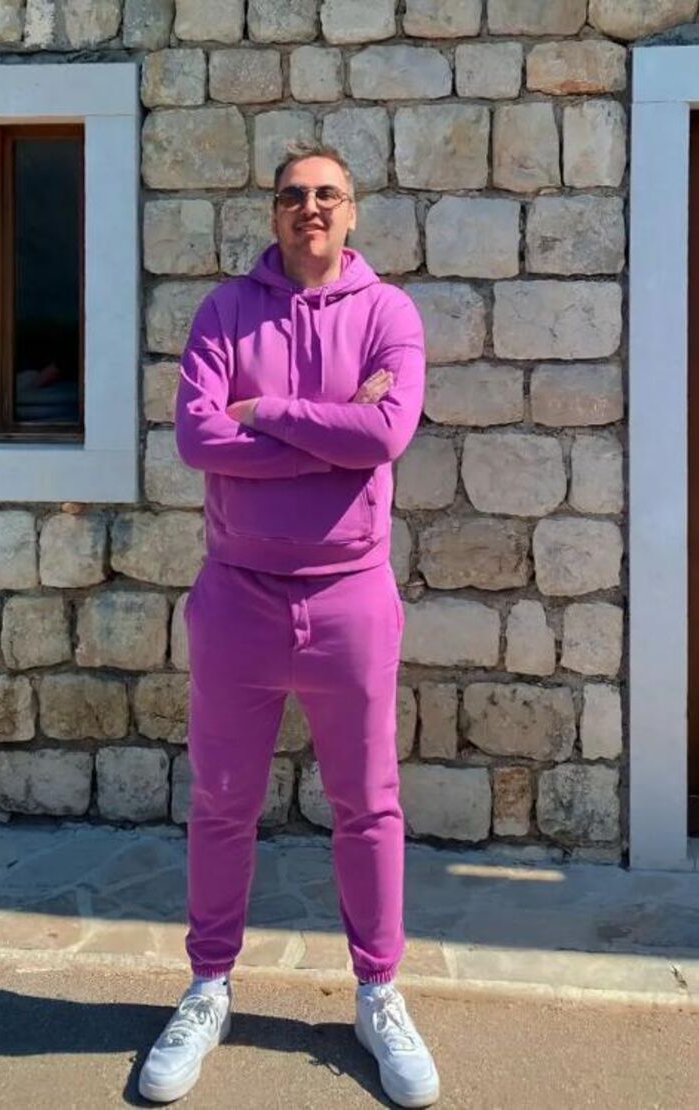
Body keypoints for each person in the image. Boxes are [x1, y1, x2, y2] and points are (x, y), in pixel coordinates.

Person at [137, 142, 438, 1109]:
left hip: (352, 597)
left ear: (353, 212)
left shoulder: (389, 314)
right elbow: (199, 437)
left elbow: (386, 433)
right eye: (294, 195)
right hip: (239, 596)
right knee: (222, 800)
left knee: (369, 803)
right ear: (274, 212)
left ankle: (379, 992)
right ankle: (208, 986)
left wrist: (264, 412)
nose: (311, 207)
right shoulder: (225, 312)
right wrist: (326, 431)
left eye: (327, 194)